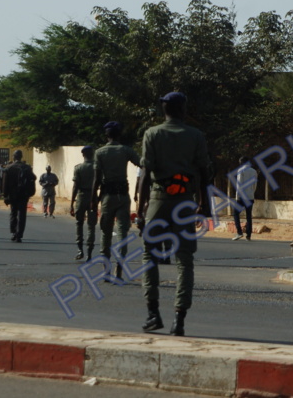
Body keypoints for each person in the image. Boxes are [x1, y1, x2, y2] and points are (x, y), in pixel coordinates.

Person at [136, 92, 210, 337]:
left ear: (163, 109)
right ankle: (179, 318)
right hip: (185, 202)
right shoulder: (196, 136)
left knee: (149, 254)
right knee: (184, 260)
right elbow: (204, 172)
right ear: (183, 109)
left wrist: (140, 209)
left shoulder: (152, 133)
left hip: (158, 199)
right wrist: (204, 203)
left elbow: (145, 173)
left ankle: (152, 313)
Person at [93, 122, 141, 280]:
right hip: (123, 196)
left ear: (106, 135)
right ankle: (118, 270)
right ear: (119, 135)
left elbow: (97, 179)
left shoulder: (100, 152)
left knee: (106, 234)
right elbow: (142, 163)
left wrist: (94, 199)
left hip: (107, 196)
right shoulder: (126, 150)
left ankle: (105, 271)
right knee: (122, 233)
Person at [70, 146, 98, 260]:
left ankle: (80, 250)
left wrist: (71, 203)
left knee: (79, 223)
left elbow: (75, 186)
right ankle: (89, 253)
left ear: (83, 155)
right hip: (93, 197)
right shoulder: (97, 167)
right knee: (91, 226)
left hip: (81, 197)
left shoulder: (78, 168)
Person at [2, 149, 36, 242]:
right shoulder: (27, 168)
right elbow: (33, 178)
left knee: (13, 213)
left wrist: (5, 196)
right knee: (22, 214)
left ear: (13, 157)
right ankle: (19, 234)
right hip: (24, 194)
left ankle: (13, 232)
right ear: (21, 157)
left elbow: (4, 184)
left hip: (13, 195)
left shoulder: (9, 168)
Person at [232, 156, 258, 241]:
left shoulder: (241, 170)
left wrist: (237, 196)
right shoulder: (254, 171)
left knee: (236, 213)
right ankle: (248, 235)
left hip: (242, 196)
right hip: (250, 196)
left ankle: (239, 232)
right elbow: (254, 185)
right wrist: (252, 193)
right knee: (248, 216)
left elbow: (239, 184)